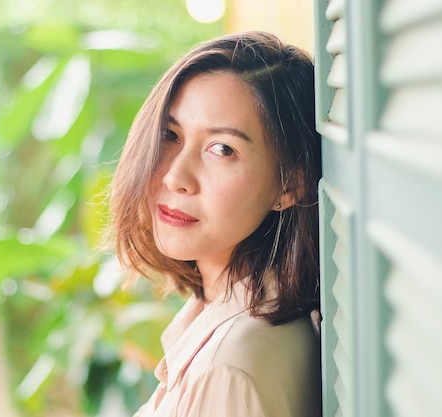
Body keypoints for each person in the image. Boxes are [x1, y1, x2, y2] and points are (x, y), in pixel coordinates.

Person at [108, 31, 322, 417]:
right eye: (170, 135)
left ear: (290, 183)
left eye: (222, 149)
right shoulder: (237, 327)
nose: (176, 176)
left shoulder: (226, 371)